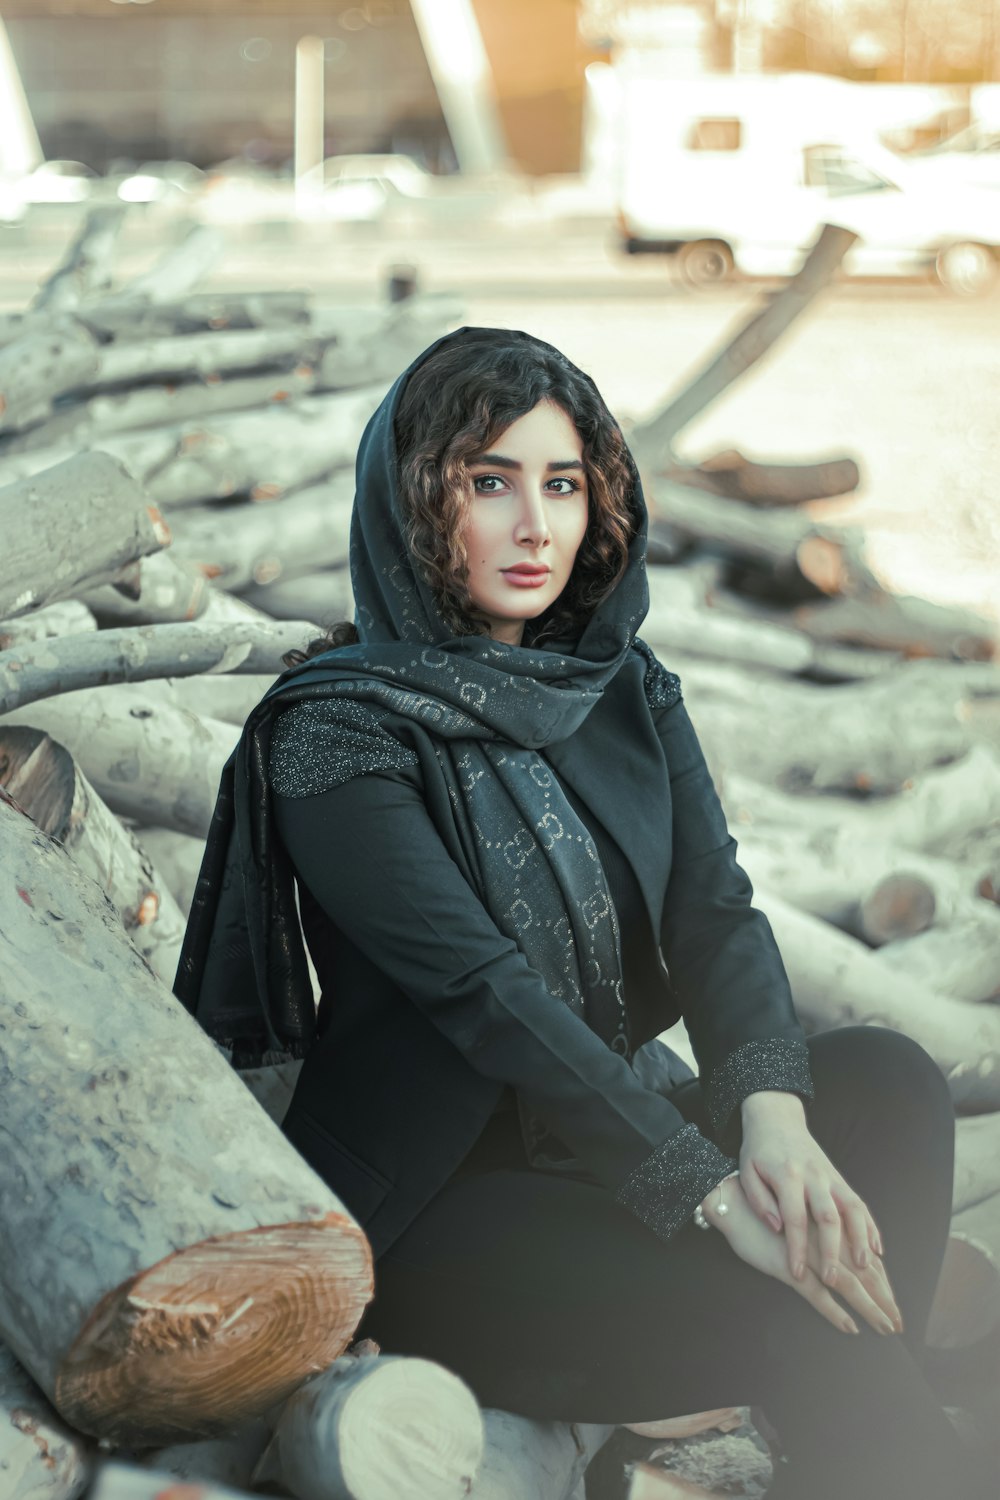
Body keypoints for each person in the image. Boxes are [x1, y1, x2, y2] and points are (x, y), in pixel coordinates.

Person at [174, 326, 994, 1500]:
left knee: (882, 1082)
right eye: (488, 483)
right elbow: (484, 997)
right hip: (447, 1215)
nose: (534, 526)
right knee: (785, 1295)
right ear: (415, 500)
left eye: (560, 483)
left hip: (620, 1141)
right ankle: (883, 1435)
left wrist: (772, 1131)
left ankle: (839, 1433)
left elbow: (715, 912)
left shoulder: (618, 685)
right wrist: (706, 1191)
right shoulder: (335, 733)